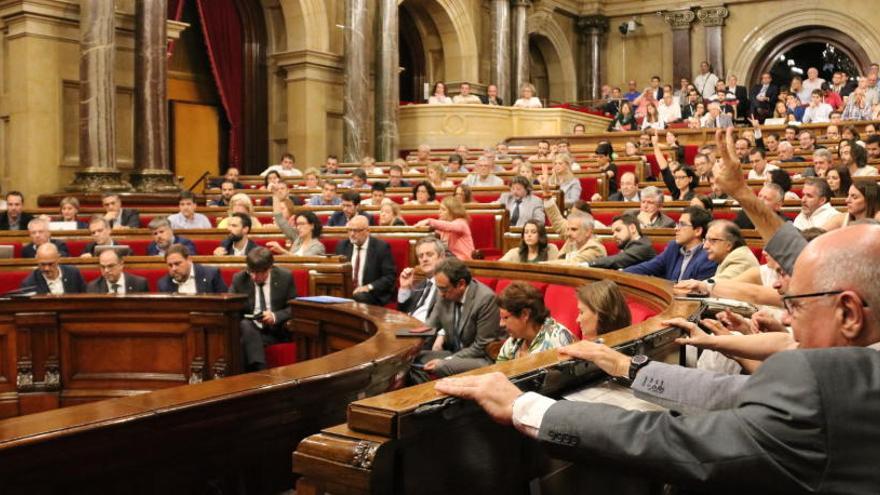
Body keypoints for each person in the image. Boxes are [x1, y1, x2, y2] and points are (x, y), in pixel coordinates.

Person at [410, 258, 503, 382]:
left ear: (461, 284)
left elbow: (482, 346)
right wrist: (410, 346)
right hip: (454, 352)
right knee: (412, 359)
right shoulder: (443, 294)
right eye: (438, 288)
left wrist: (448, 360)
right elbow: (429, 327)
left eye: (443, 289)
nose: (440, 294)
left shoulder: (485, 300)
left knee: (440, 366)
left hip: (480, 358)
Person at [230, 247, 297, 371]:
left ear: (269, 269)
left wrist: (274, 316)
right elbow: (230, 307)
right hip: (248, 328)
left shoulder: (285, 277)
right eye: (251, 271)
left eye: (257, 273)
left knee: (245, 342)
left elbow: (293, 307)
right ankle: (261, 370)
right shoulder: (239, 279)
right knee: (245, 325)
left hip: (275, 332)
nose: (253, 277)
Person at [625, 206, 717, 281]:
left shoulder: (708, 257)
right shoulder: (674, 248)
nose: (676, 228)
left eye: (682, 224)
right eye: (678, 224)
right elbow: (647, 267)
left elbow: (697, 293)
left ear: (698, 231)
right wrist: (619, 273)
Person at [495, 282, 575, 362]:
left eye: (505, 318)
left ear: (525, 314)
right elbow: (498, 371)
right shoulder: (513, 341)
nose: (501, 324)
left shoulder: (557, 340)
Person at [335, 216, 396, 305]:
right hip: (346, 292)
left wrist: (368, 287)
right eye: (349, 230)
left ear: (367, 231)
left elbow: (389, 277)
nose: (352, 234)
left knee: (359, 296)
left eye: (356, 231)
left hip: (371, 294)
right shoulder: (342, 246)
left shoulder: (381, 247)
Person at [397, 236, 445, 322]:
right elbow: (402, 312)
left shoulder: (448, 285)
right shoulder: (421, 285)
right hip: (408, 328)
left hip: (428, 332)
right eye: (420, 256)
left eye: (429, 254)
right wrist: (405, 288)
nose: (424, 259)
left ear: (441, 257)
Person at [587, 213, 656, 270]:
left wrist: (588, 264)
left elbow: (617, 260)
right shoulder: (628, 247)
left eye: (618, 230)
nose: (614, 235)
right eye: (613, 233)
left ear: (632, 228)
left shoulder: (642, 246)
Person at [415, 196, 475, 260]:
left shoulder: (461, 222)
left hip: (464, 260)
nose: (439, 212)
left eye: (443, 209)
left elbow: (450, 226)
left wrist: (429, 221)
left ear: (453, 212)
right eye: (439, 209)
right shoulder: (442, 224)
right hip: (449, 260)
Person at [157, 244, 227, 294]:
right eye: (170, 265)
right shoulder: (164, 284)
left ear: (189, 260)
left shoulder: (211, 275)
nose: (174, 269)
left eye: (177, 264)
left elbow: (225, 303)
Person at [20, 243, 85, 294]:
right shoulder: (29, 283)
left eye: (51, 264)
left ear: (58, 259)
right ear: (37, 260)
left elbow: (84, 298)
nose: (46, 268)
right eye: (42, 264)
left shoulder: (73, 273)